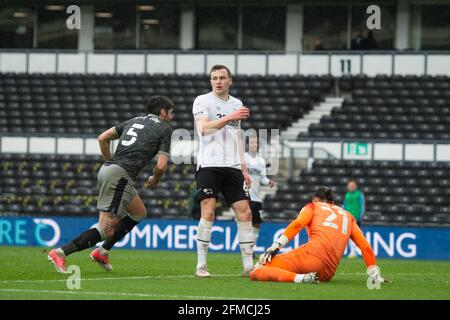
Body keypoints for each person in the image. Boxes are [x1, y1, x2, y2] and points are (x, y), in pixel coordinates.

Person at [47, 96, 174, 273]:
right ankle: (60, 253)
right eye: (170, 112)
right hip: (120, 175)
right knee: (106, 228)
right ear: (163, 111)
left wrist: (110, 161)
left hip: (110, 170)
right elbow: (161, 165)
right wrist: (155, 179)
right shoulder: (164, 129)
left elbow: (102, 138)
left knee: (139, 213)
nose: (171, 116)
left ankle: (103, 251)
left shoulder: (135, 120)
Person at [250, 187, 386, 284]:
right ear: (332, 202)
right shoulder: (348, 216)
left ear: (315, 199)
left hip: (312, 257)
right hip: (327, 273)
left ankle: (299, 278)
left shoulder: (313, 206)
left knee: (258, 270)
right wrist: (374, 274)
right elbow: (365, 247)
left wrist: (276, 246)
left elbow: (298, 224)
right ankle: (305, 277)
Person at [193, 64, 254, 278]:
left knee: (245, 212)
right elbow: (204, 128)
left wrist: (244, 167)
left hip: (233, 167)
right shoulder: (202, 100)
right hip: (209, 164)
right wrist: (231, 116)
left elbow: (237, 136)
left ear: (230, 80)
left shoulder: (237, 103)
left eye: (222, 78)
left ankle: (248, 266)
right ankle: (201, 265)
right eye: (214, 78)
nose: (218, 81)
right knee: (208, 211)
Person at [244, 135, 274, 247]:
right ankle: (245, 248)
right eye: (252, 142)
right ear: (247, 144)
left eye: (256, 142)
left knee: (256, 224)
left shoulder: (261, 161)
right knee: (245, 223)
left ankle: (251, 250)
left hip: (257, 197)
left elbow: (263, 178)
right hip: (245, 196)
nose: (254, 144)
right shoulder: (243, 158)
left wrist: (268, 181)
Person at [344, 179, 366, 258]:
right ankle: (353, 252)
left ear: (356, 186)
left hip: (356, 218)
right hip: (348, 219)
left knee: (357, 236)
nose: (351, 187)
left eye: (352, 186)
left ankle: (359, 251)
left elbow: (362, 206)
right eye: (350, 186)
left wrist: (360, 217)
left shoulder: (359, 195)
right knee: (350, 236)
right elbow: (345, 206)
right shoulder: (346, 195)